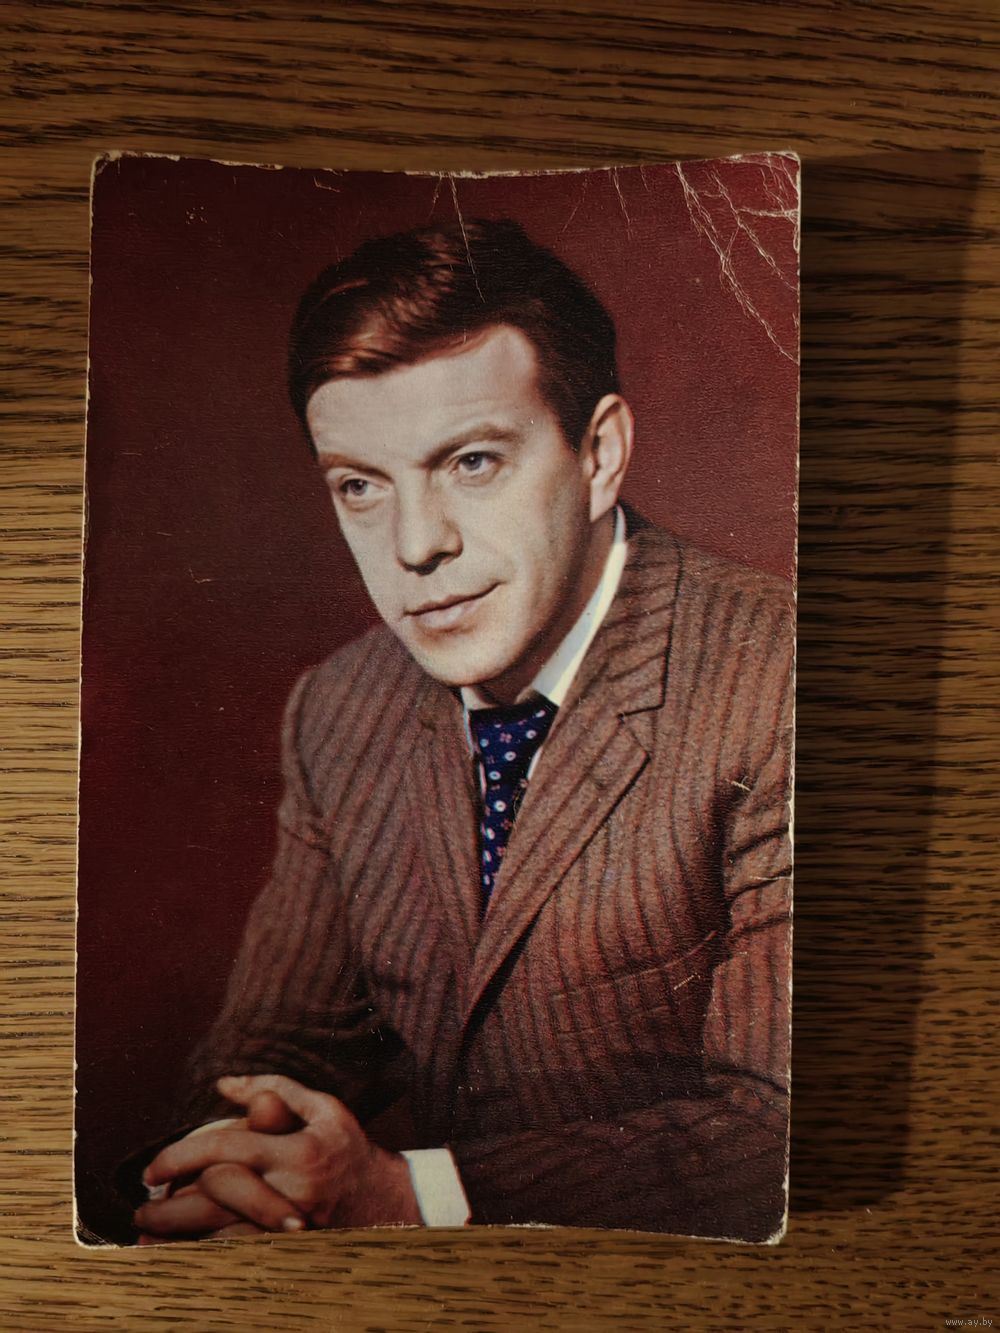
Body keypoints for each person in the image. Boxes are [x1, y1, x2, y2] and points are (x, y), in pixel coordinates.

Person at [132, 218, 794, 1244]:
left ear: (599, 454)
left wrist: (411, 1196)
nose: (415, 546)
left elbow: (782, 1133)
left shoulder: (780, 679)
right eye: (360, 485)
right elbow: (274, 1054)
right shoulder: (340, 706)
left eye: (472, 461)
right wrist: (231, 1171)